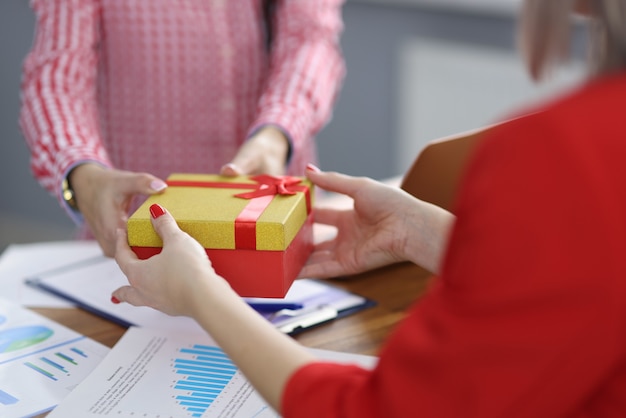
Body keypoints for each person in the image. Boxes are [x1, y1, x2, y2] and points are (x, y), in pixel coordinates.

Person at [111, 0, 626, 416]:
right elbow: (586, 280)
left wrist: (202, 296)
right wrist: (421, 232)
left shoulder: (561, 151)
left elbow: (380, 409)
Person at [19, 0, 345, 256]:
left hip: (275, 227)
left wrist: (277, 133)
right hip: (138, 235)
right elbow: (57, 75)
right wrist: (82, 172)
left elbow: (311, 39)